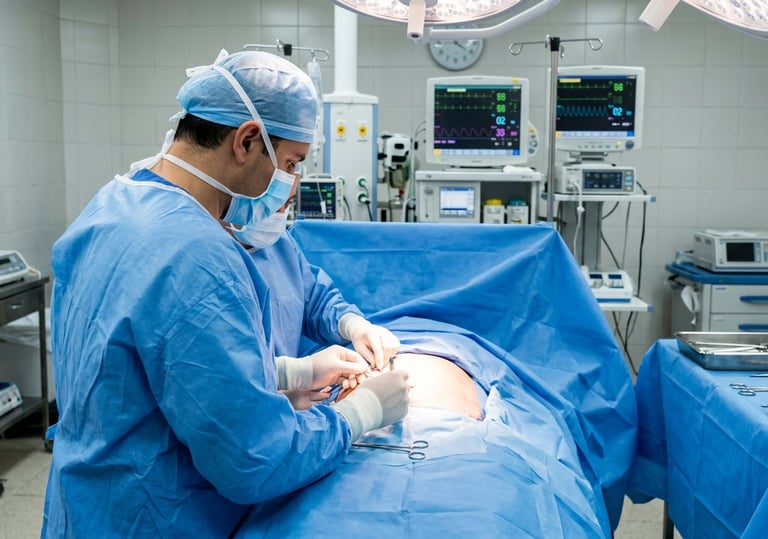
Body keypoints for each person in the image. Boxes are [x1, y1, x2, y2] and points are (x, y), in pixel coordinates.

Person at [42, 50, 409, 537]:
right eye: (292, 163)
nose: (293, 184)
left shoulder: (110, 206)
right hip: (155, 516)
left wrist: (285, 372)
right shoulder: (196, 252)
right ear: (247, 140)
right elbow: (256, 458)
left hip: (85, 507)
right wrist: (361, 412)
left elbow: (135, 369)